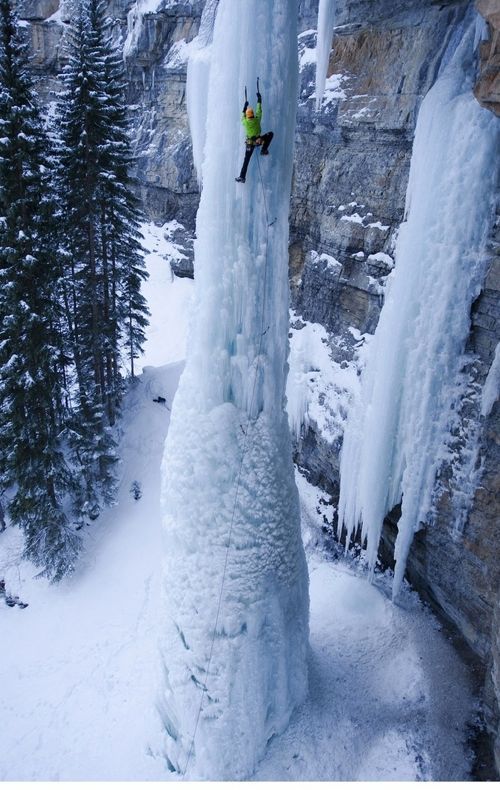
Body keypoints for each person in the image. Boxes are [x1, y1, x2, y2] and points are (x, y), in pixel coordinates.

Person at [235, 88, 274, 183]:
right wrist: (259, 100)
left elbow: (242, 117)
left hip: (249, 144)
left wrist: (244, 108)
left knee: (246, 160)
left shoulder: (246, 122)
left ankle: (242, 177)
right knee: (270, 134)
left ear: (248, 116)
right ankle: (264, 150)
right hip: (258, 141)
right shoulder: (257, 119)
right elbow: (259, 110)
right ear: (252, 115)